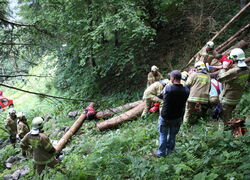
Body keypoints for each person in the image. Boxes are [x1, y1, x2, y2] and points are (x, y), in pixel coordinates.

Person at [154, 70, 189, 157]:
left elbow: (160, 96)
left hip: (166, 116)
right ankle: (170, 152)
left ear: (172, 78)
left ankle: (161, 153)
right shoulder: (186, 90)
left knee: (163, 134)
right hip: (177, 116)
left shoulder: (168, 88)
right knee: (173, 135)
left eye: (171, 77)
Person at [217, 48, 249, 125]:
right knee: (229, 117)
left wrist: (224, 68)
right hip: (236, 98)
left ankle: (223, 134)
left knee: (223, 120)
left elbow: (220, 78)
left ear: (234, 59)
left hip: (226, 99)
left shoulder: (233, 71)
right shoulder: (247, 69)